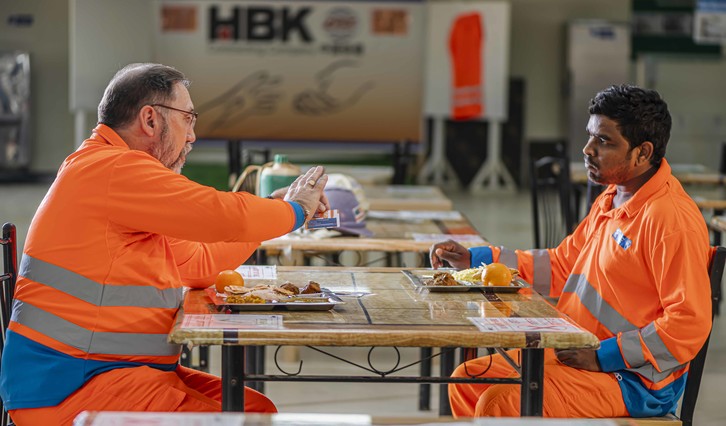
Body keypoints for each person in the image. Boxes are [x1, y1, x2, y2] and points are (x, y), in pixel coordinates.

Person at [0, 63, 330, 425]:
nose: (192, 135)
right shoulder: (113, 169)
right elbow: (221, 215)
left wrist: (276, 211)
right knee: (250, 422)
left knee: (257, 411)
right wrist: (293, 211)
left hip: (109, 374)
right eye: (188, 118)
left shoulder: (116, 178)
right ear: (150, 119)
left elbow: (199, 263)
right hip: (73, 389)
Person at [430, 85, 711, 418]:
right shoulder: (613, 198)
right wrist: (477, 261)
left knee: (500, 402)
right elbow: (561, 266)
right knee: (468, 379)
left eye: (604, 141)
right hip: (576, 352)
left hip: (633, 380)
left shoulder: (668, 219)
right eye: (590, 136)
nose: (587, 149)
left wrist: (602, 356)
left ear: (642, 152)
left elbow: (688, 324)